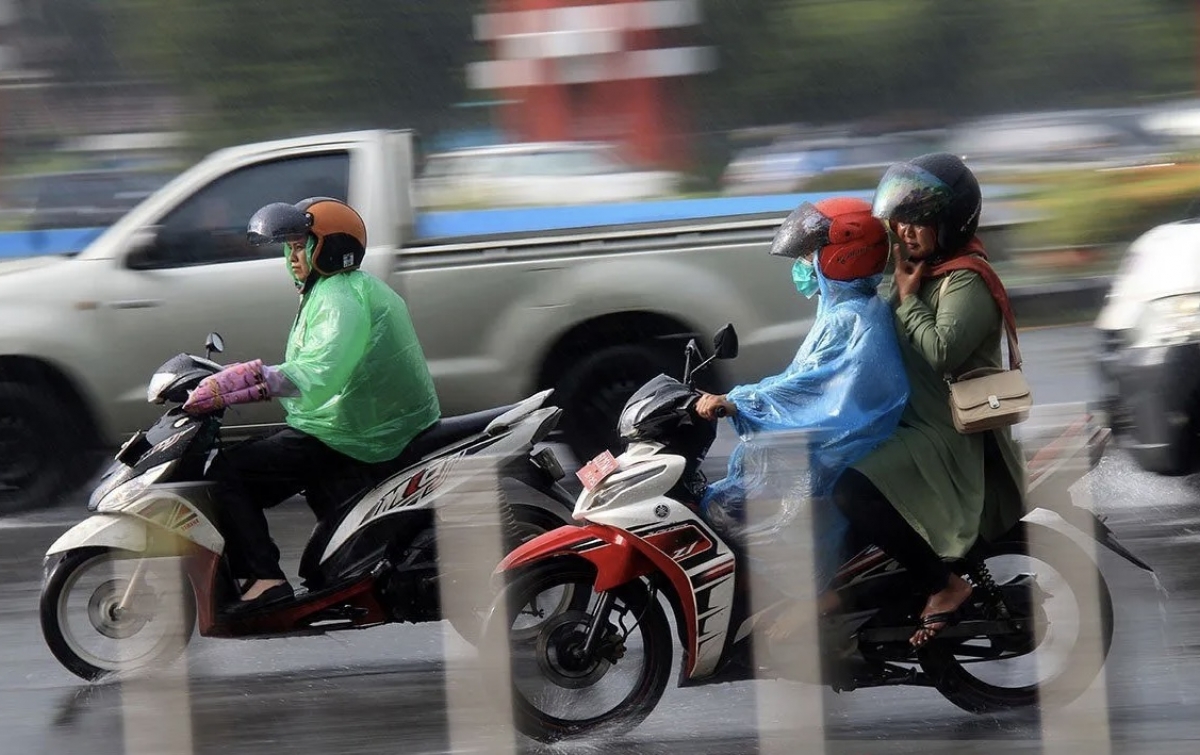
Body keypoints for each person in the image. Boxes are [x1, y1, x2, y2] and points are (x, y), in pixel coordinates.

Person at [182, 197, 441, 613]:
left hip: (356, 431)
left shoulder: (342, 295)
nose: (293, 256)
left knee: (224, 473)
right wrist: (233, 382)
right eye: (289, 247)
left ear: (331, 247)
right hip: (350, 424)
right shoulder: (333, 289)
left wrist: (245, 381)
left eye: (303, 245)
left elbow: (319, 374)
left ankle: (265, 579)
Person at [694, 196, 910, 637]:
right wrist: (742, 395)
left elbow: (812, 393)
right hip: (829, 446)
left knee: (725, 507)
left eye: (811, 254)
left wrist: (740, 401)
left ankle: (812, 598)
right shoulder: (841, 311)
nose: (804, 264)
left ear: (842, 255)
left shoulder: (851, 318)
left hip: (835, 451)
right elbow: (799, 380)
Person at [836, 153, 1027, 648]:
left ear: (952, 221)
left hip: (946, 435)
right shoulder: (918, 270)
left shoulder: (965, 279)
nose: (906, 231)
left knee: (851, 490)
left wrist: (908, 299)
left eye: (919, 220)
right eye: (900, 220)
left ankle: (945, 587)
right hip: (909, 422)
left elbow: (942, 351)